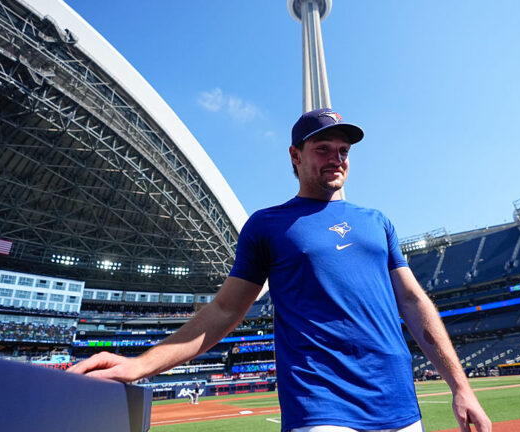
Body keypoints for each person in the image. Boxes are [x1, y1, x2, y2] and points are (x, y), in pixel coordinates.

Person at [68, 108, 492, 432]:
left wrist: (461, 386)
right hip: (320, 404)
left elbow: (414, 303)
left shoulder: (377, 221)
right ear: (295, 155)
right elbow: (223, 311)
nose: (336, 159)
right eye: (322, 149)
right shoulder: (267, 225)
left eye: (343, 151)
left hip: (397, 403)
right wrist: (141, 364)